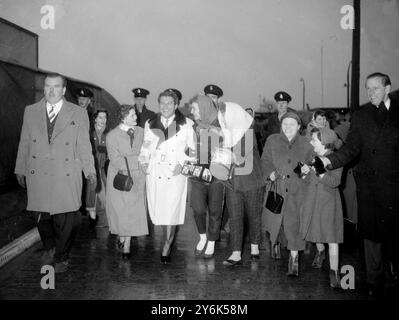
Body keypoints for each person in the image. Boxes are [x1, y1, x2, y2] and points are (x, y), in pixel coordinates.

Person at [319, 72, 399, 297]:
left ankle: (392, 267)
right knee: (371, 235)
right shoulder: (362, 116)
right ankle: (373, 280)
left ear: (387, 88)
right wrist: (329, 160)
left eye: (375, 88)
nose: (370, 92)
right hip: (369, 186)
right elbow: (351, 149)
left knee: (392, 233)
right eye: (367, 88)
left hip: (394, 185)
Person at [15, 73, 96, 273]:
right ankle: (50, 246)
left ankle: (61, 256)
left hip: (66, 171)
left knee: (66, 219)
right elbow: (24, 141)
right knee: (41, 216)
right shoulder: (31, 111)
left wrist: (90, 171)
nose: (51, 90)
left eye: (56, 87)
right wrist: (20, 168)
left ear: (64, 90)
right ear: (44, 88)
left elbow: (84, 145)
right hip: (39, 171)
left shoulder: (77, 113)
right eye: (48, 86)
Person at [139, 90, 196, 264]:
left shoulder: (186, 124)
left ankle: (167, 246)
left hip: (174, 174)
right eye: (162, 103)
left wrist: (184, 165)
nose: (165, 107)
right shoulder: (151, 123)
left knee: (171, 211)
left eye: (169, 103)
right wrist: (143, 161)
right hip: (156, 172)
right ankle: (166, 239)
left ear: (176, 105)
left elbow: (194, 150)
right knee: (159, 211)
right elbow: (146, 146)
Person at [261, 112, 313, 276]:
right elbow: (266, 161)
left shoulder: (306, 143)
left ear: (299, 127)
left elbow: (312, 164)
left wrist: (306, 172)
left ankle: (294, 258)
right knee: (276, 221)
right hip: (277, 187)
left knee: (294, 224)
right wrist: (270, 174)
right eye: (285, 124)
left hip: (297, 190)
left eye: (292, 124)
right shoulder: (272, 140)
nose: (288, 127)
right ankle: (275, 242)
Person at [217, 101, 264, 266]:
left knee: (253, 215)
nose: (223, 119)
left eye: (225, 116)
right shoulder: (226, 134)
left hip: (252, 182)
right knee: (235, 217)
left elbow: (238, 157)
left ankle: (255, 246)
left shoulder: (248, 131)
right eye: (221, 116)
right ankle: (236, 252)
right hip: (233, 183)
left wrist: (222, 152)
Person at [299, 127, 344, 288]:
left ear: (324, 142)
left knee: (332, 238)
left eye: (314, 140)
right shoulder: (312, 156)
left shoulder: (335, 159)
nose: (311, 142)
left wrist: (320, 172)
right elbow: (305, 181)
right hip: (313, 201)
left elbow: (335, 182)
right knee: (316, 231)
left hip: (329, 203)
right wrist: (303, 173)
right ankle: (320, 252)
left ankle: (334, 272)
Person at [106, 105, 148, 259]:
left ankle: (127, 244)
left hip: (138, 178)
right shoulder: (112, 136)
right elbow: (115, 159)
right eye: (132, 115)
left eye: (135, 115)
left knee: (133, 211)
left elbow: (147, 151)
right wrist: (138, 160)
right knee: (122, 210)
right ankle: (123, 236)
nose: (136, 117)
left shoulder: (142, 132)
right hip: (120, 177)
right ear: (123, 117)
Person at [189, 95, 224, 258]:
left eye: (194, 108)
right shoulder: (193, 127)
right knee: (198, 209)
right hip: (197, 175)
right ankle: (202, 236)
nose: (192, 111)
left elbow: (228, 151)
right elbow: (188, 149)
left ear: (203, 109)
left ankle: (211, 241)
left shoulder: (221, 126)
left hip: (217, 176)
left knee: (215, 211)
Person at [86, 109, 109, 231]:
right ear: (95, 119)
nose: (103, 120)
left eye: (105, 118)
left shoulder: (108, 134)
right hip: (91, 169)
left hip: (103, 169)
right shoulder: (89, 133)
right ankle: (92, 223)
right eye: (100, 117)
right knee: (92, 195)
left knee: (105, 195)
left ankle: (105, 221)